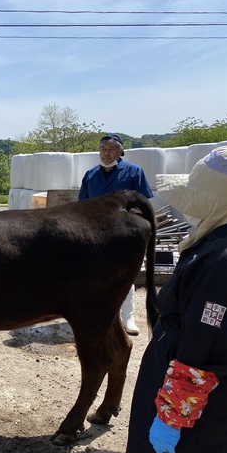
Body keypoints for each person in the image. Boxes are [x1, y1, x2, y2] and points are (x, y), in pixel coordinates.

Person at [123, 145, 227, 453]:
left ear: (216, 200)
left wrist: (171, 417)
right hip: (221, 402)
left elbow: (205, 349)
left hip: (195, 408)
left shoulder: (225, 264)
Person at [78, 133, 154, 336]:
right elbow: (82, 205)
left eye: (111, 149)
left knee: (124, 274)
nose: (106, 153)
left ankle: (127, 317)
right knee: (95, 274)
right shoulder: (91, 175)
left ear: (121, 151)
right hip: (95, 234)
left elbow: (143, 202)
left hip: (124, 235)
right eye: (103, 149)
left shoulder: (133, 172)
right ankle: (99, 315)